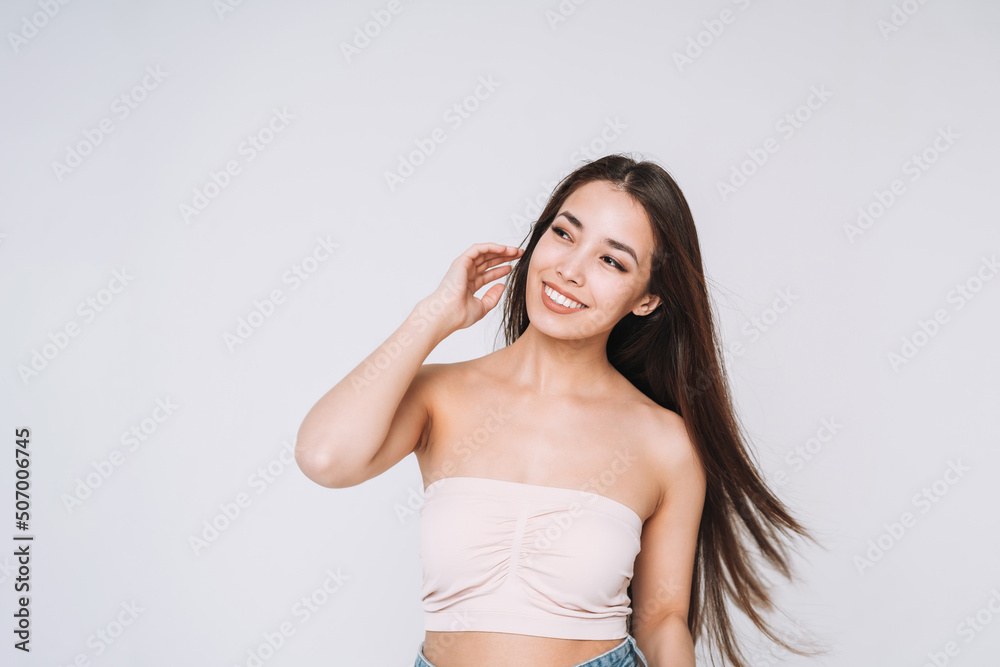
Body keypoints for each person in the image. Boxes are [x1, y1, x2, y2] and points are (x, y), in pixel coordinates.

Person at [295, 154, 827, 667]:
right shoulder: (440, 396)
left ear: (647, 299)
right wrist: (431, 317)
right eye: (564, 233)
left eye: (612, 260)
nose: (571, 270)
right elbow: (325, 458)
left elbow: (662, 618)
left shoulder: (666, 444)